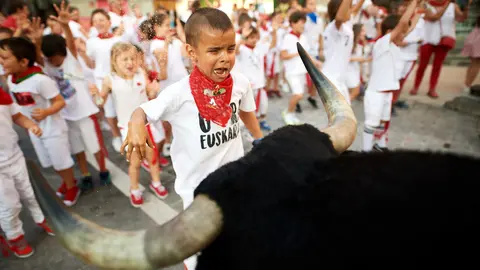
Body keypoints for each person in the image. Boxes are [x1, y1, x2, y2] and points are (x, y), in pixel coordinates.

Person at [121, 8, 263, 270]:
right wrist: (136, 123)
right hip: (199, 194)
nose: (224, 59)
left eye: (230, 49)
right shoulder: (178, 94)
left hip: (236, 185)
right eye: (214, 51)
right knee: (198, 258)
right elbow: (143, 111)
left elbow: (246, 111)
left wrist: (260, 139)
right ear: (191, 52)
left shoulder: (241, 83)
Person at [38, 1, 111, 191]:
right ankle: (86, 174)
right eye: (51, 58)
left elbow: (69, 42)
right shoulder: (47, 65)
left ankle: (103, 171)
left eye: (57, 57)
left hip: (86, 113)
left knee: (95, 146)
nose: (55, 61)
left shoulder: (70, 58)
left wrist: (65, 25)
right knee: (77, 149)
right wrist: (36, 39)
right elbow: (39, 56)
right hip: (67, 116)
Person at [1, 37, 80, 206]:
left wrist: (46, 112)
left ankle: (72, 185)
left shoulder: (40, 80)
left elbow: (60, 101)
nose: (2, 62)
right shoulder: (11, 79)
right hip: (35, 130)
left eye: (5, 58)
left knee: (61, 160)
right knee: (49, 160)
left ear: (23, 61)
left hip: (53, 129)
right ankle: (66, 182)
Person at [95, 42, 168, 207]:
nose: (130, 63)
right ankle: (134, 189)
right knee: (135, 162)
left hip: (146, 124)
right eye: (125, 59)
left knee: (152, 157)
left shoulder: (141, 73)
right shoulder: (110, 80)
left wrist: (153, 91)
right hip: (128, 128)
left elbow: (149, 93)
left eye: (133, 59)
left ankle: (156, 182)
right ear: (114, 62)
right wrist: (95, 95)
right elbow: (101, 102)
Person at [0, 87, 54, 258]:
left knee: (30, 193)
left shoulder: (2, 95)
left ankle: (41, 218)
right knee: (9, 205)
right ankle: (15, 236)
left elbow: (16, 116)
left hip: (15, 156)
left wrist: (31, 125)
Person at [363, 0, 419, 152]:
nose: (404, 35)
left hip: (387, 92)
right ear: (389, 32)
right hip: (376, 93)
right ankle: (365, 152)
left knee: (382, 123)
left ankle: (380, 146)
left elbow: (407, 26)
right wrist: (413, 3)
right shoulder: (382, 44)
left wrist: (418, 12)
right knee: (371, 125)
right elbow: (402, 24)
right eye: (401, 33)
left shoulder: (394, 44)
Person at [410, 0, 472, 98]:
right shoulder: (425, 4)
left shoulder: (453, 6)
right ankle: (416, 86)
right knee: (422, 65)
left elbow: (461, 19)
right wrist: (447, 4)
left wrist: (467, 7)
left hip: (443, 40)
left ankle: (432, 89)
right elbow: (434, 17)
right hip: (428, 39)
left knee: (437, 66)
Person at [280, 10, 320, 125]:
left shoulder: (303, 37)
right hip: (292, 72)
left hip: (301, 71)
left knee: (299, 94)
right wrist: (297, 53)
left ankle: (291, 114)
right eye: (300, 22)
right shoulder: (288, 37)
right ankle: (287, 113)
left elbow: (307, 54)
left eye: (304, 22)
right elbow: (283, 55)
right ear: (293, 23)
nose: (303, 24)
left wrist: (316, 62)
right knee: (298, 94)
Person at [462, 15, 480, 94]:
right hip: (477, 40)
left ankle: (467, 84)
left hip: (474, 37)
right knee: (476, 64)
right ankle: (467, 85)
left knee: (473, 63)